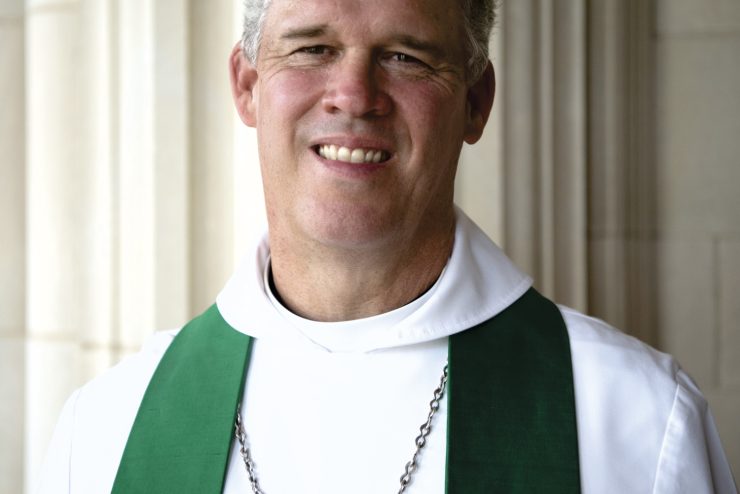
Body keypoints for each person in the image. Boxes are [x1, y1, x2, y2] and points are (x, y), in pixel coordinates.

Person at [37, 0, 737, 492]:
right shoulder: (107, 428)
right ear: (248, 87)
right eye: (313, 47)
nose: (354, 94)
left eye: (405, 56)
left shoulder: (638, 421)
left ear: (475, 102)